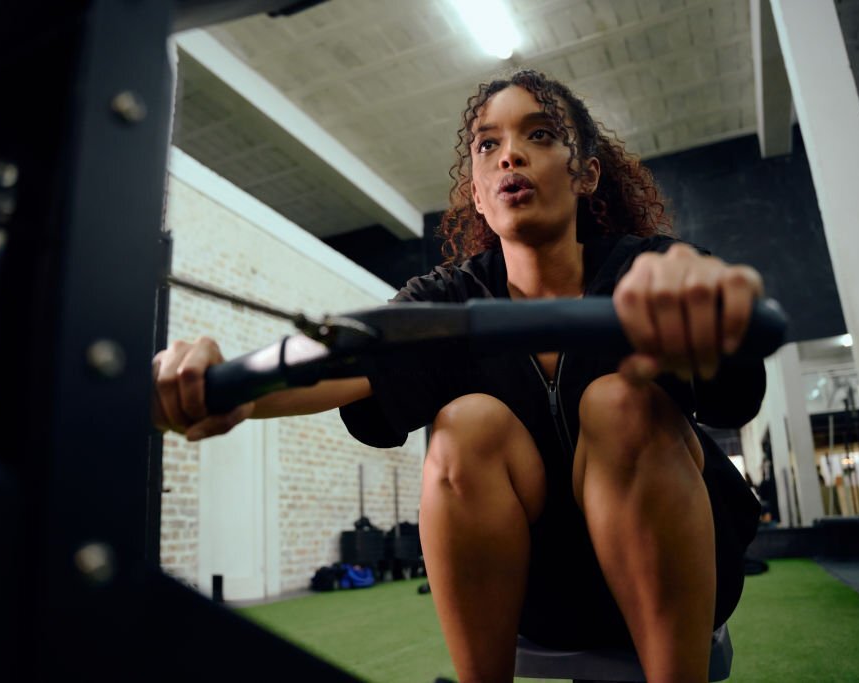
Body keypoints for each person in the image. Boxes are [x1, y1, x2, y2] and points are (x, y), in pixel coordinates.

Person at [153, 69, 765, 683]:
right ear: (475, 191)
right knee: (464, 425)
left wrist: (706, 305)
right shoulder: (450, 301)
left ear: (587, 174)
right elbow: (345, 360)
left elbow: (731, 369)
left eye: (541, 134)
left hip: (678, 577)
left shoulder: (646, 271)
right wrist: (228, 388)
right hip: (530, 590)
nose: (511, 156)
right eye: (487, 144)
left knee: (620, 403)